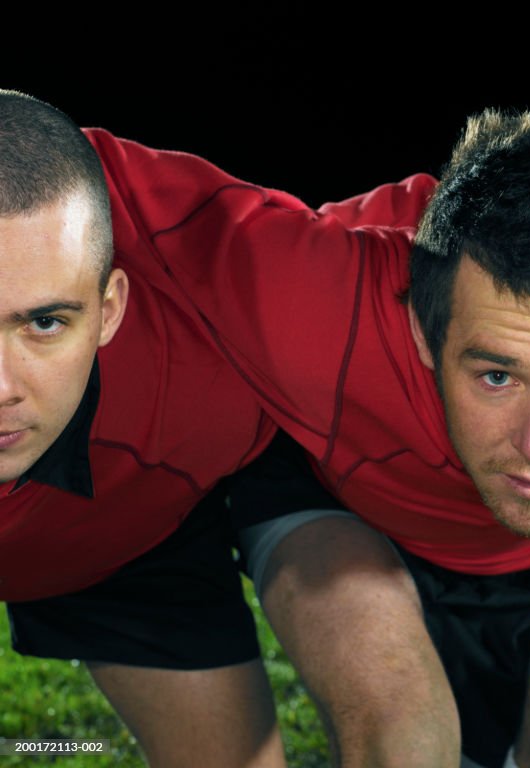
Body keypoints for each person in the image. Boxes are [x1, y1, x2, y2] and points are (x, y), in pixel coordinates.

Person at [83, 109, 530, 768]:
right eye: (496, 374)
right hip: (338, 500)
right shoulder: (311, 306)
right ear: (422, 335)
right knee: (404, 734)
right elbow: (88, 168)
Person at [0, 90, 439, 767]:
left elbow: (496, 226)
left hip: (282, 460)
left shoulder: (223, 258)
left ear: (111, 307)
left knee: (480, 709)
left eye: (44, 323)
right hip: (102, 551)